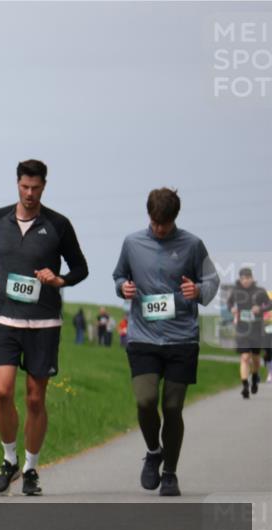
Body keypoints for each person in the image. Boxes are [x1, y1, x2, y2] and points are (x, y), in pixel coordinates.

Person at [0, 159, 88, 496]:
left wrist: (60, 278)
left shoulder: (59, 225)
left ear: (44, 186)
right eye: (24, 187)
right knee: (3, 391)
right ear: (17, 184)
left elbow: (81, 267)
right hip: (3, 319)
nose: (30, 193)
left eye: (35, 188)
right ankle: (8, 460)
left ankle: (31, 469)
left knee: (35, 399)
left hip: (44, 322)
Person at [113, 187, 219, 496]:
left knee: (172, 407)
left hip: (180, 338)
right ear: (149, 216)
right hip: (143, 337)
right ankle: (153, 451)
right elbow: (119, 277)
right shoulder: (132, 243)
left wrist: (197, 291)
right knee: (145, 401)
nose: (160, 229)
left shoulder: (192, 245)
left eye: (166, 223)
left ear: (175, 218)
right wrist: (124, 289)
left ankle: (170, 473)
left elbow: (211, 281)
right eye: (156, 222)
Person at [227, 267, 271, 399]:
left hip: (256, 329)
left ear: (252, 278)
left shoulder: (260, 291)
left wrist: (261, 308)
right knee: (245, 357)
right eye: (243, 278)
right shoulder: (236, 291)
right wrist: (232, 309)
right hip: (242, 329)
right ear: (240, 279)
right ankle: (245, 386)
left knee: (256, 359)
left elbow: (270, 304)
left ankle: (255, 375)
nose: (245, 281)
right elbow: (229, 303)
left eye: (247, 278)